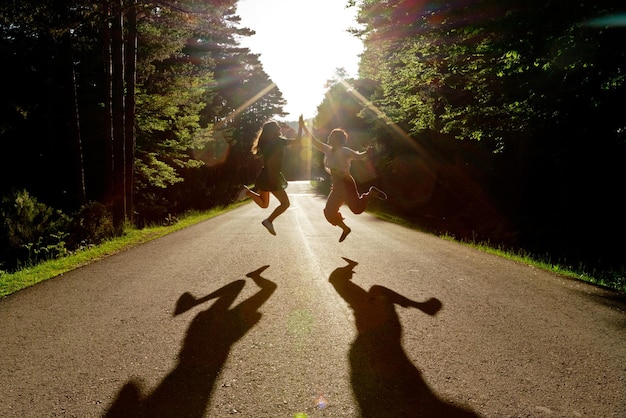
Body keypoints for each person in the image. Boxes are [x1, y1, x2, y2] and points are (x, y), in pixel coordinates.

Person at [301, 120, 387, 242]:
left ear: (337, 139)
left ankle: (370, 194)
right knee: (329, 212)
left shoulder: (345, 151)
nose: (329, 137)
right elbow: (314, 141)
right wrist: (304, 126)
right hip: (336, 186)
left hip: (346, 183)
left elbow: (359, 156)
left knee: (357, 210)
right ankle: (345, 229)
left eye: (332, 136)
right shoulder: (327, 149)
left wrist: (366, 152)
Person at [245, 117, 303, 235]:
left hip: (264, 175)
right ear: (273, 130)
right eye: (277, 127)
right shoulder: (279, 141)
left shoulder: (264, 142)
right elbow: (298, 141)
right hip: (272, 177)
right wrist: (301, 127)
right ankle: (268, 221)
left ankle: (247, 192)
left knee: (264, 204)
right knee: (285, 203)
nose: (279, 128)